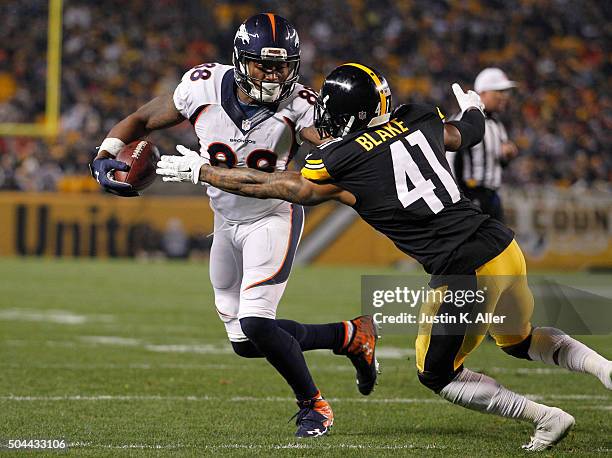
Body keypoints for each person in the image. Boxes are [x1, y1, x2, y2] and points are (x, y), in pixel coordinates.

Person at [157, 63, 612, 451]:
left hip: (461, 271)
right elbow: (466, 133)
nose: (325, 121)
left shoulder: (344, 157)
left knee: (437, 375)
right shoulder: (417, 117)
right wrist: (473, 107)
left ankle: (545, 417)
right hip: (502, 246)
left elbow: (285, 187)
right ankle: (604, 369)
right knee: (518, 340)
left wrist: (204, 171)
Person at [89, 15, 380, 438]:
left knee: (258, 322)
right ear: (241, 61)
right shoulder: (202, 86)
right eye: (265, 65)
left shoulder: (301, 105)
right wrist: (105, 152)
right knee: (245, 343)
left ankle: (313, 406)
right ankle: (351, 336)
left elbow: (339, 147)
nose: (276, 74)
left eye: (283, 66)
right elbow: (140, 119)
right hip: (225, 220)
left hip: (272, 217)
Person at [448, 67, 518, 221]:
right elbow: (450, 159)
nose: (504, 97)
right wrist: (458, 198)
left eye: (505, 92)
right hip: (470, 194)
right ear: (483, 93)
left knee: (500, 242)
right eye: (499, 92)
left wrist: (507, 155)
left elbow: (496, 163)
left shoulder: (497, 124)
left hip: (492, 195)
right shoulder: (463, 118)